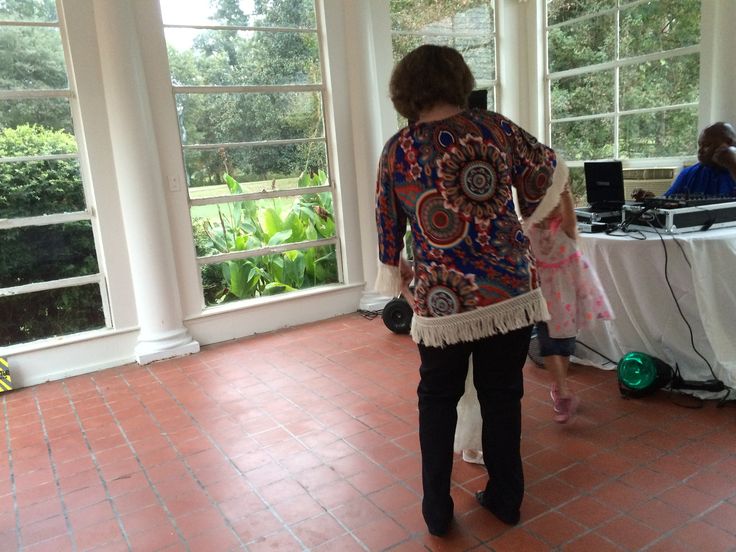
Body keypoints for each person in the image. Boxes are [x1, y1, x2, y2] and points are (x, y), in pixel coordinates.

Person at [374, 44, 568, 536]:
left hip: (443, 297)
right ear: (457, 80)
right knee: (502, 394)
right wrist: (525, 224)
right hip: (509, 291)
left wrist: (396, 267)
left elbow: (386, 222)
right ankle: (506, 499)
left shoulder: (398, 149)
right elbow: (548, 171)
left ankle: (436, 510)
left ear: (406, 89)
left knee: (436, 397)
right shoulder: (495, 128)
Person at [526, 185, 613, 422]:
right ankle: (563, 391)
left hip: (566, 296)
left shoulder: (565, 230)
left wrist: (564, 194)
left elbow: (571, 221)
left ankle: (559, 384)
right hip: (543, 296)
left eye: (554, 204)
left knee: (563, 345)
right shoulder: (529, 231)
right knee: (547, 344)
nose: (549, 209)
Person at [664, 122, 736, 197]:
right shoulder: (689, 174)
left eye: (707, 145)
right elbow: (665, 202)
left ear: (728, 143)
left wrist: (732, 165)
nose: (700, 151)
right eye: (700, 145)